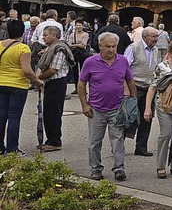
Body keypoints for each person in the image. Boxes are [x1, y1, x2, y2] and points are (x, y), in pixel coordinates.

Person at [79, 32, 137, 181]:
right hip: (96, 108)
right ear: (100, 46)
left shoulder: (123, 61)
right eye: (107, 46)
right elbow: (81, 83)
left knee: (117, 140)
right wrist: (84, 104)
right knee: (94, 142)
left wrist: (133, 101)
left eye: (114, 46)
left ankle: (119, 168)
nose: (111, 50)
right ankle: (96, 169)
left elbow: (130, 81)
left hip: (117, 108)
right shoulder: (90, 62)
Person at [0, 20, 44, 155]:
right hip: (17, 85)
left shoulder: (0, 45)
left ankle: (0, 147)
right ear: (22, 32)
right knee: (14, 117)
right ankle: (12, 149)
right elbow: (27, 70)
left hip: (1, 83)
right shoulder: (23, 48)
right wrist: (37, 80)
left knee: (1, 116)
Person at [144, 39, 172, 179]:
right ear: (169, 53)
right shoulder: (162, 67)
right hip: (164, 105)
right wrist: (147, 108)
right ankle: (160, 166)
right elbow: (153, 86)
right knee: (166, 134)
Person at [124, 27, 160, 157]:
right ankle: (119, 146)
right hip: (134, 86)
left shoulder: (156, 50)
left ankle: (141, 147)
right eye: (153, 36)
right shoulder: (133, 48)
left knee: (147, 118)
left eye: (157, 36)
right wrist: (126, 89)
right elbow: (125, 67)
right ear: (145, 37)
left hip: (149, 88)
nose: (156, 39)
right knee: (128, 117)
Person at [37, 26, 74, 152]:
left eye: (46, 34)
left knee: (53, 113)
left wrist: (38, 78)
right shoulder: (51, 48)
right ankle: (50, 140)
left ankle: (55, 141)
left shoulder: (59, 49)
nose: (43, 37)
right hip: (51, 83)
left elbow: (53, 69)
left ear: (54, 35)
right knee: (48, 112)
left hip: (56, 83)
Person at [67, 19, 90, 95]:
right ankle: (76, 88)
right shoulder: (72, 35)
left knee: (83, 71)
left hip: (83, 55)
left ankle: (84, 88)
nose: (78, 26)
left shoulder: (85, 34)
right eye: (77, 25)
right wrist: (78, 44)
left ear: (83, 26)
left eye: (80, 25)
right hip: (74, 55)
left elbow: (83, 45)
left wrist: (74, 44)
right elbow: (69, 45)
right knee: (75, 72)